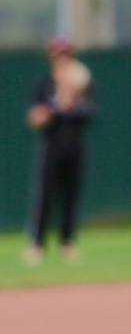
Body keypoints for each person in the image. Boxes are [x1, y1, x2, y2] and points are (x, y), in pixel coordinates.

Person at [24, 38, 94, 266]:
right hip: (51, 147)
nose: (62, 59)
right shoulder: (44, 84)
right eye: (58, 55)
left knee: (71, 198)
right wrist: (49, 112)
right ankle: (37, 245)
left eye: (66, 55)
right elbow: (34, 117)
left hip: (74, 146)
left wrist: (68, 103)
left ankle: (67, 243)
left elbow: (89, 113)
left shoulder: (83, 85)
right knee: (45, 197)